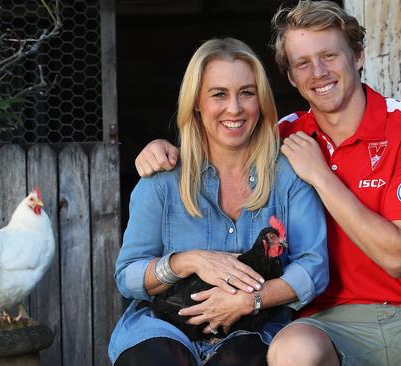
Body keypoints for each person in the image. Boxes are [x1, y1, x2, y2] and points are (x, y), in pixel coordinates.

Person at [133, 2, 401, 365]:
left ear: (358, 57)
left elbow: (398, 257)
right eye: (302, 63)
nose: (318, 72)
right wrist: (161, 149)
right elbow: (222, 135)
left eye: (329, 55)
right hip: (323, 321)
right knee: (291, 352)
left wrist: (321, 175)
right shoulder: (283, 134)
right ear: (289, 75)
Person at [109, 37, 329, 366]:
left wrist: (251, 300)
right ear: (197, 102)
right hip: (167, 324)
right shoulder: (163, 179)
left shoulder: (288, 175)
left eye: (247, 93)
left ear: (261, 101)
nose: (235, 108)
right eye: (219, 94)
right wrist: (189, 260)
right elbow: (128, 276)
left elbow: (314, 267)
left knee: (242, 360)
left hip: (255, 326)